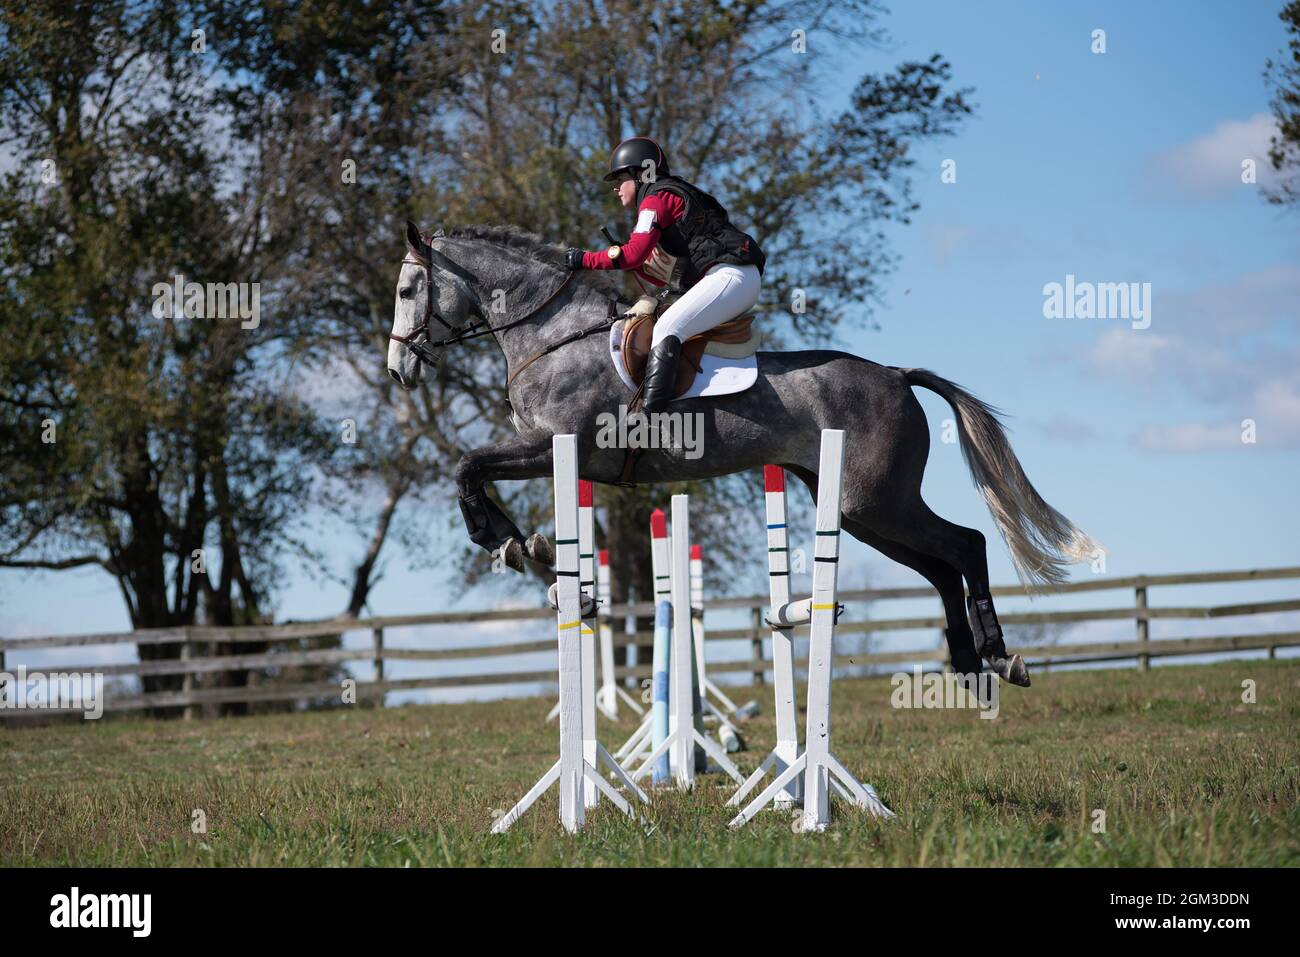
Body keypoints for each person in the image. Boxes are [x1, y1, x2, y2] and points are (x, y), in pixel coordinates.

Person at [565, 137, 765, 412]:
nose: (615, 188)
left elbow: (633, 253)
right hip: (729, 276)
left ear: (640, 174)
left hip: (732, 276)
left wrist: (583, 259)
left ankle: (651, 418)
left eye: (620, 178)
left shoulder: (655, 198)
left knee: (667, 328)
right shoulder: (667, 195)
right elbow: (667, 269)